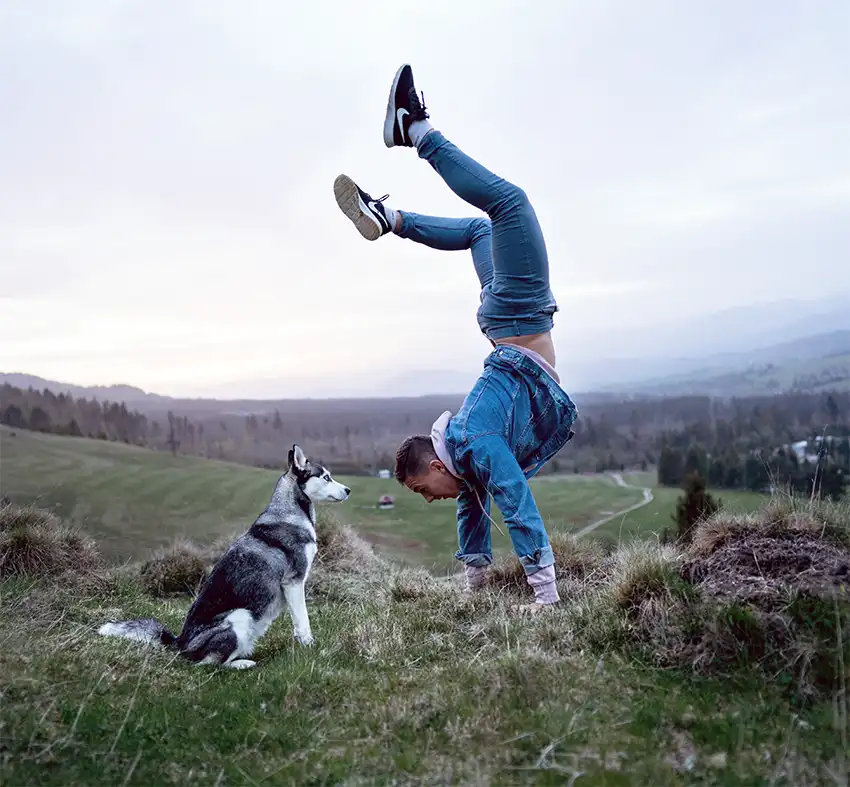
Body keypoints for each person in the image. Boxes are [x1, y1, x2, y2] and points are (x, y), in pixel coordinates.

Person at [333, 64, 578, 608]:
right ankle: (388, 215)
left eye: (423, 489)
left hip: (517, 317)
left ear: (438, 464)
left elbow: (513, 497)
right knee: (483, 229)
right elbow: (479, 501)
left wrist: (545, 594)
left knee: (508, 204)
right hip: (504, 323)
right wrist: (475, 583)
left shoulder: (477, 441)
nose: (427, 500)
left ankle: (414, 128)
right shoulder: (465, 459)